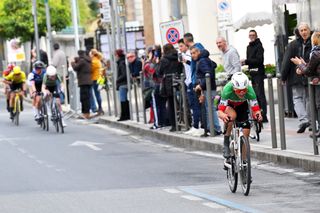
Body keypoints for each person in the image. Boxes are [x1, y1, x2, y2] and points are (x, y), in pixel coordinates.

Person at [218, 72, 262, 158]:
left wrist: (258, 115)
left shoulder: (250, 91)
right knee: (232, 116)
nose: (242, 93)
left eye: (244, 90)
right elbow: (220, 112)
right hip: (229, 106)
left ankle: (243, 161)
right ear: (234, 88)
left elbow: (256, 110)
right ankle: (226, 141)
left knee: (246, 131)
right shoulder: (227, 90)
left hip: (242, 106)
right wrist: (224, 116)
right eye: (238, 91)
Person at [281, 23, 312, 133]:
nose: (304, 32)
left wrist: (283, 77)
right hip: (297, 76)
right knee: (301, 98)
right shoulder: (293, 45)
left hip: (308, 75)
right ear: (299, 32)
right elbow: (286, 62)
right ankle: (307, 121)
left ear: (309, 30)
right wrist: (283, 76)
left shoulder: (313, 42)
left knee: (306, 98)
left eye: (305, 30)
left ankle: (306, 120)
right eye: (302, 30)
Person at [291, 31, 320, 137]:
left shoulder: (316, 52)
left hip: (318, 83)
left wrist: (300, 64)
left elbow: (309, 71)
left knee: (319, 106)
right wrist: (303, 64)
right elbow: (313, 67)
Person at [191, 46, 222, 136]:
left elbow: (208, 73)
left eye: (194, 53)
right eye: (191, 53)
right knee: (209, 108)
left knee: (210, 108)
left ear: (198, 52)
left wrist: (201, 85)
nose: (192, 55)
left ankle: (215, 128)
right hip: (208, 88)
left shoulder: (202, 60)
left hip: (208, 88)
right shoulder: (204, 59)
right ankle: (212, 128)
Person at [240, 30, 268, 123]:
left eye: (253, 35)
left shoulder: (259, 46)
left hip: (259, 73)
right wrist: (246, 63)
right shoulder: (248, 47)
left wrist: (246, 61)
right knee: (255, 95)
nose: (251, 36)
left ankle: (263, 116)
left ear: (256, 36)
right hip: (252, 73)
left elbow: (259, 60)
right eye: (250, 35)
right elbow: (250, 61)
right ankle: (258, 115)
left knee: (260, 95)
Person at [156, 43, 183, 132]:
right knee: (181, 103)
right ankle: (184, 122)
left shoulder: (164, 59)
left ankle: (174, 125)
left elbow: (159, 72)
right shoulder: (178, 56)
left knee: (171, 104)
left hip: (168, 83)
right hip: (179, 81)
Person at [183, 33, 204, 132]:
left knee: (196, 104)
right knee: (196, 104)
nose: (192, 54)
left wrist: (196, 81)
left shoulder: (196, 48)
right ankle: (199, 126)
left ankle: (197, 127)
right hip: (194, 80)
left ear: (186, 41)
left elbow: (196, 66)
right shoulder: (196, 48)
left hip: (196, 80)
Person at [71, 50, 93, 119]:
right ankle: (87, 113)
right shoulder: (88, 60)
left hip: (83, 82)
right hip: (88, 81)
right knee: (87, 98)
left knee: (84, 98)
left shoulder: (82, 61)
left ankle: (85, 113)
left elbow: (76, 68)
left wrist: (72, 62)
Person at [115, 49, 130, 121]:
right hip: (124, 83)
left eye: (115, 55)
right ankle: (126, 115)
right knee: (124, 99)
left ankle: (124, 115)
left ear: (117, 55)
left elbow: (124, 74)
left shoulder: (121, 63)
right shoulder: (123, 61)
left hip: (123, 84)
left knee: (122, 99)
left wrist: (117, 80)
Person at [89, 49, 104, 115]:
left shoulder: (94, 61)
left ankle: (99, 108)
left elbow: (90, 70)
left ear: (92, 54)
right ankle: (99, 108)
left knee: (95, 94)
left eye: (90, 54)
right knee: (97, 94)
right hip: (99, 78)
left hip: (95, 79)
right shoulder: (98, 60)